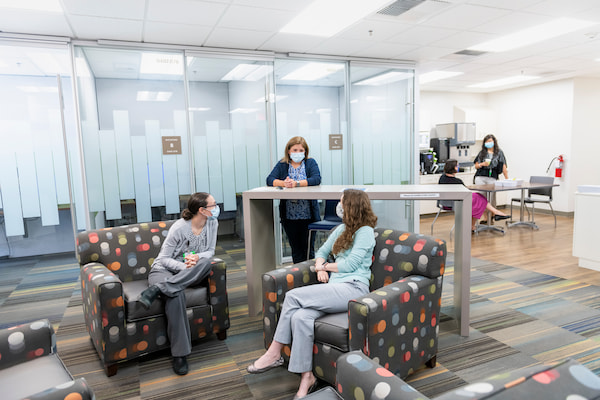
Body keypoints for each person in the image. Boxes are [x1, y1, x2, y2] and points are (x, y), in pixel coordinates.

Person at [246, 189, 377, 399]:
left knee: (293, 296)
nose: (338, 206)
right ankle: (307, 378)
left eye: (342, 202)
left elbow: (350, 264)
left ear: (351, 206)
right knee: (300, 317)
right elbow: (321, 252)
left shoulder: (365, 231)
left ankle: (274, 352)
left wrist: (323, 268)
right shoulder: (342, 229)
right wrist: (320, 265)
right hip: (333, 288)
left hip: (353, 288)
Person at [138, 192, 220, 376]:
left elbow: (210, 251)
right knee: (175, 294)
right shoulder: (179, 228)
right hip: (164, 271)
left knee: (206, 264)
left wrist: (197, 257)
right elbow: (163, 259)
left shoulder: (212, 223)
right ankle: (180, 355)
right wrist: (183, 266)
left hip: (190, 270)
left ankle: (157, 289)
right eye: (213, 205)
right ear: (202, 210)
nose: (216, 208)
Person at [266, 136, 322, 263]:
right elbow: (270, 180)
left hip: (308, 215)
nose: (298, 153)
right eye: (295, 150)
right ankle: (298, 278)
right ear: (289, 151)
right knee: (296, 250)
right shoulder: (282, 164)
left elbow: (316, 179)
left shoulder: (310, 162)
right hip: (289, 216)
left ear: (305, 151)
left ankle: (311, 278)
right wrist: (284, 183)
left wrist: (296, 183)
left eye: (301, 150)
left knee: (308, 250)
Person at [440, 159, 509, 231]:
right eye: (457, 166)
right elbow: (466, 192)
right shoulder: (457, 181)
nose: (458, 167)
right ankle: (495, 213)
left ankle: (494, 213)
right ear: (453, 168)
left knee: (479, 197)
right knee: (479, 201)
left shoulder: (442, 178)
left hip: (446, 203)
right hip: (456, 203)